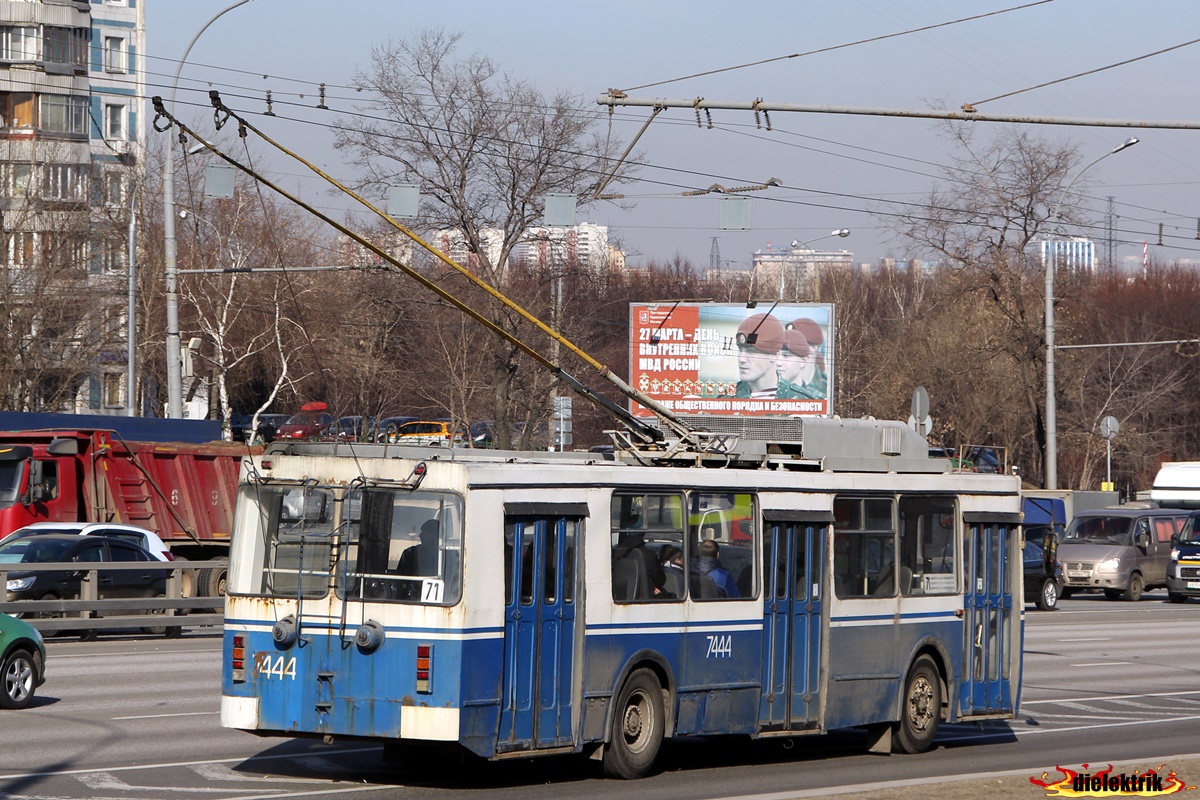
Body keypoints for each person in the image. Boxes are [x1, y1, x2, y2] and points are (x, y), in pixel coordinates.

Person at [732, 312, 785, 399]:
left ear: (774, 354)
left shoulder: (800, 401)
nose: (742, 359)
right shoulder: (727, 400)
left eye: (751, 351)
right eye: (740, 349)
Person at [613, 529, 667, 598]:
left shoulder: (615, 552)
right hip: (646, 597)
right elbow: (659, 580)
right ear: (642, 534)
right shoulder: (648, 554)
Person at [775, 327, 823, 400]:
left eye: (786, 356)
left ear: (803, 361)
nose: (778, 363)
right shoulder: (765, 394)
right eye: (776, 355)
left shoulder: (813, 400)